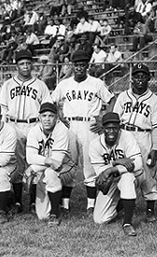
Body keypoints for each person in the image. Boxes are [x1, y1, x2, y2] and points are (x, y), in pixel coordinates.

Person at [46, 50, 115, 213]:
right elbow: (51, 101)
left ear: (87, 66)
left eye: (82, 65)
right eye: (76, 65)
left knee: (89, 165)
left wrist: (104, 119)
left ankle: (91, 204)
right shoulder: (64, 84)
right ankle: (65, 203)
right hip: (70, 125)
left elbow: (112, 100)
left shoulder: (96, 83)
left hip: (89, 125)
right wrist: (58, 117)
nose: (79, 68)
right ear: (72, 66)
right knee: (68, 164)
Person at [0, 50, 50, 213]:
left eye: (28, 63)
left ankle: (34, 201)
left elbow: (47, 107)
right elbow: (3, 108)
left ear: (32, 65)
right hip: (14, 125)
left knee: (35, 163)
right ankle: (19, 201)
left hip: (34, 125)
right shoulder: (8, 84)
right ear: (17, 66)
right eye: (22, 63)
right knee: (17, 164)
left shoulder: (40, 85)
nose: (25, 66)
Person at [113, 64, 157, 222]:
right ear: (131, 79)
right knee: (123, 170)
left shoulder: (155, 100)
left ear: (149, 78)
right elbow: (115, 119)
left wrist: (155, 148)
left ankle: (150, 209)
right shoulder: (123, 96)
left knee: (147, 174)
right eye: (137, 76)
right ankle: (125, 203)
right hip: (124, 135)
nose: (140, 79)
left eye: (143, 76)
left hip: (143, 136)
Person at [89, 112, 143, 237]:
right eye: (108, 128)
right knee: (100, 219)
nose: (111, 131)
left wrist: (111, 170)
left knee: (127, 179)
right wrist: (116, 162)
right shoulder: (94, 145)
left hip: (132, 175)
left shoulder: (127, 137)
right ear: (103, 128)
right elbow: (100, 173)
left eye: (115, 128)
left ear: (120, 127)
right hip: (112, 180)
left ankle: (127, 223)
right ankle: (123, 205)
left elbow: (138, 163)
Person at [25, 103, 73, 225]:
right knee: (42, 216)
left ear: (56, 117)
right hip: (46, 166)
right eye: (44, 115)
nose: (47, 119)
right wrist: (46, 162)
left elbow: (57, 161)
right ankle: (52, 201)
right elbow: (30, 157)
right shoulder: (34, 131)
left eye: (51, 116)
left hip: (66, 166)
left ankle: (55, 213)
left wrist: (33, 168)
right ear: (39, 117)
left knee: (51, 173)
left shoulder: (62, 130)